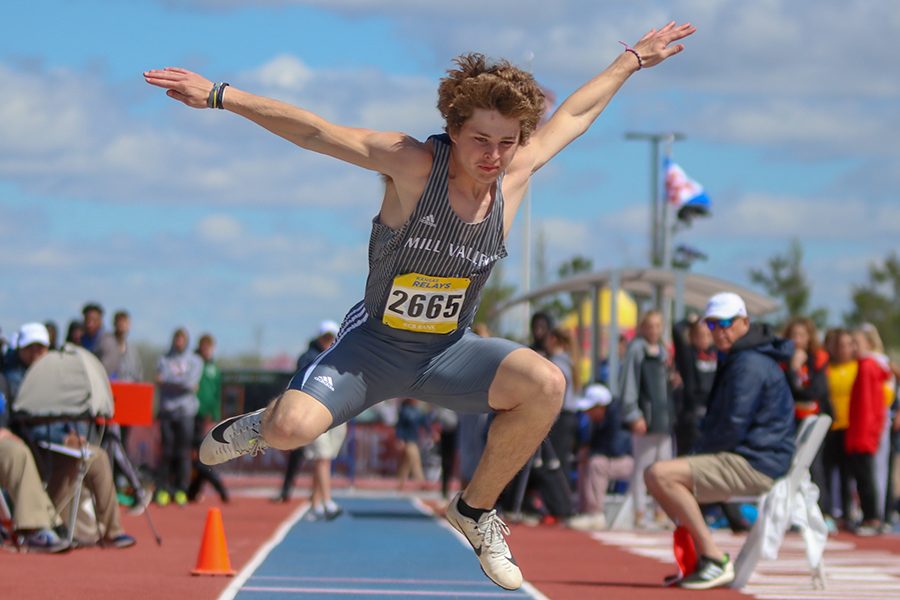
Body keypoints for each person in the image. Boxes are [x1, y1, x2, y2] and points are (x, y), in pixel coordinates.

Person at [145, 21, 695, 590]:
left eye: (507, 142)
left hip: (448, 353)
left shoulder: (516, 173)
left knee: (547, 383)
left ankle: (476, 512)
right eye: (481, 140)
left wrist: (631, 59)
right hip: (373, 348)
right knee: (292, 428)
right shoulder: (413, 164)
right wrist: (219, 95)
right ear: (454, 130)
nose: (494, 156)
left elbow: (575, 115)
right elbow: (316, 132)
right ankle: (262, 424)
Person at [644, 293, 795, 589]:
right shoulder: (742, 357)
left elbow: (733, 425)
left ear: (745, 323)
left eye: (726, 322)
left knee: (660, 475)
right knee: (663, 475)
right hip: (758, 455)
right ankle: (704, 558)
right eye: (712, 324)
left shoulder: (748, 363)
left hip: (757, 461)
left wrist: (697, 452)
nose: (719, 330)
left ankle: (712, 558)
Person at [3, 322, 136, 549]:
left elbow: (62, 411)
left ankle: (112, 529)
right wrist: (62, 438)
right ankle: (40, 526)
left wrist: (73, 433)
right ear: (20, 349)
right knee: (26, 454)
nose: (37, 353)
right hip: (33, 443)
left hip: (54, 443)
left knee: (97, 457)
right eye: (31, 348)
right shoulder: (11, 377)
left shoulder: (53, 374)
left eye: (41, 348)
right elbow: (23, 420)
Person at [275, 320, 340, 503]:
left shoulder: (338, 354)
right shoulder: (308, 357)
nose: (328, 340)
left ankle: (315, 496)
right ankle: (318, 499)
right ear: (319, 337)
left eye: (331, 337)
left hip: (331, 412)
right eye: (326, 337)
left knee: (322, 458)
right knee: (317, 456)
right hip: (311, 411)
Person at [620, 309, 673, 527]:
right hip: (645, 417)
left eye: (657, 326)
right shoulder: (637, 350)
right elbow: (629, 382)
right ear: (643, 327)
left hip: (663, 417)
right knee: (643, 466)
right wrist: (633, 413)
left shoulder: (663, 352)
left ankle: (661, 511)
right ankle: (639, 511)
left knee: (664, 467)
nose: (653, 330)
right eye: (649, 325)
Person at [781, 317, 832, 522]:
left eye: (802, 335)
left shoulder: (818, 358)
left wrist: (799, 382)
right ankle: (792, 512)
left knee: (815, 466)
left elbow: (816, 391)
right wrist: (793, 368)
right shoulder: (784, 360)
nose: (798, 339)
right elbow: (787, 391)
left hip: (813, 421)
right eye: (794, 335)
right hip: (790, 421)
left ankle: (822, 512)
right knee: (791, 466)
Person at [569, 383, 632, 532]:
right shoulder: (599, 420)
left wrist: (591, 451)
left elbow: (615, 449)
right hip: (615, 459)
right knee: (585, 461)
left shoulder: (617, 417)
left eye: (590, 409)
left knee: (596, 464)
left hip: (629, 462)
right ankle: (584, 510)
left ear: (601, 406)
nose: (588, 413)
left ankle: (595, 513)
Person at [155, 327, 202, 507]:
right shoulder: (163, 359)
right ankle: (163, 489)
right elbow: (160, 380)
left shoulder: (195, 361)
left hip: (186, 412)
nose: (179, 342)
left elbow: (191, 384)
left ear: (187, 341)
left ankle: (182, 490)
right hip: (167, 411)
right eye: (177, 339)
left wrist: (168, 381)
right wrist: (181, 383)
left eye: (182, 339)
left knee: (183, 453)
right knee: (166, 452)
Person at [188, 334, 229, 504]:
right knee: (195, 457)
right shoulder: (193, 364)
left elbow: (217, 393)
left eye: (209, 347)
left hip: (205, 417)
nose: (206, 350)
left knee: (203, 456)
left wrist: (215, 415)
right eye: (203, 346)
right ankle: (213, 488)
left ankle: (195, 491)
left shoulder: (214, 369)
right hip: (191, 414)